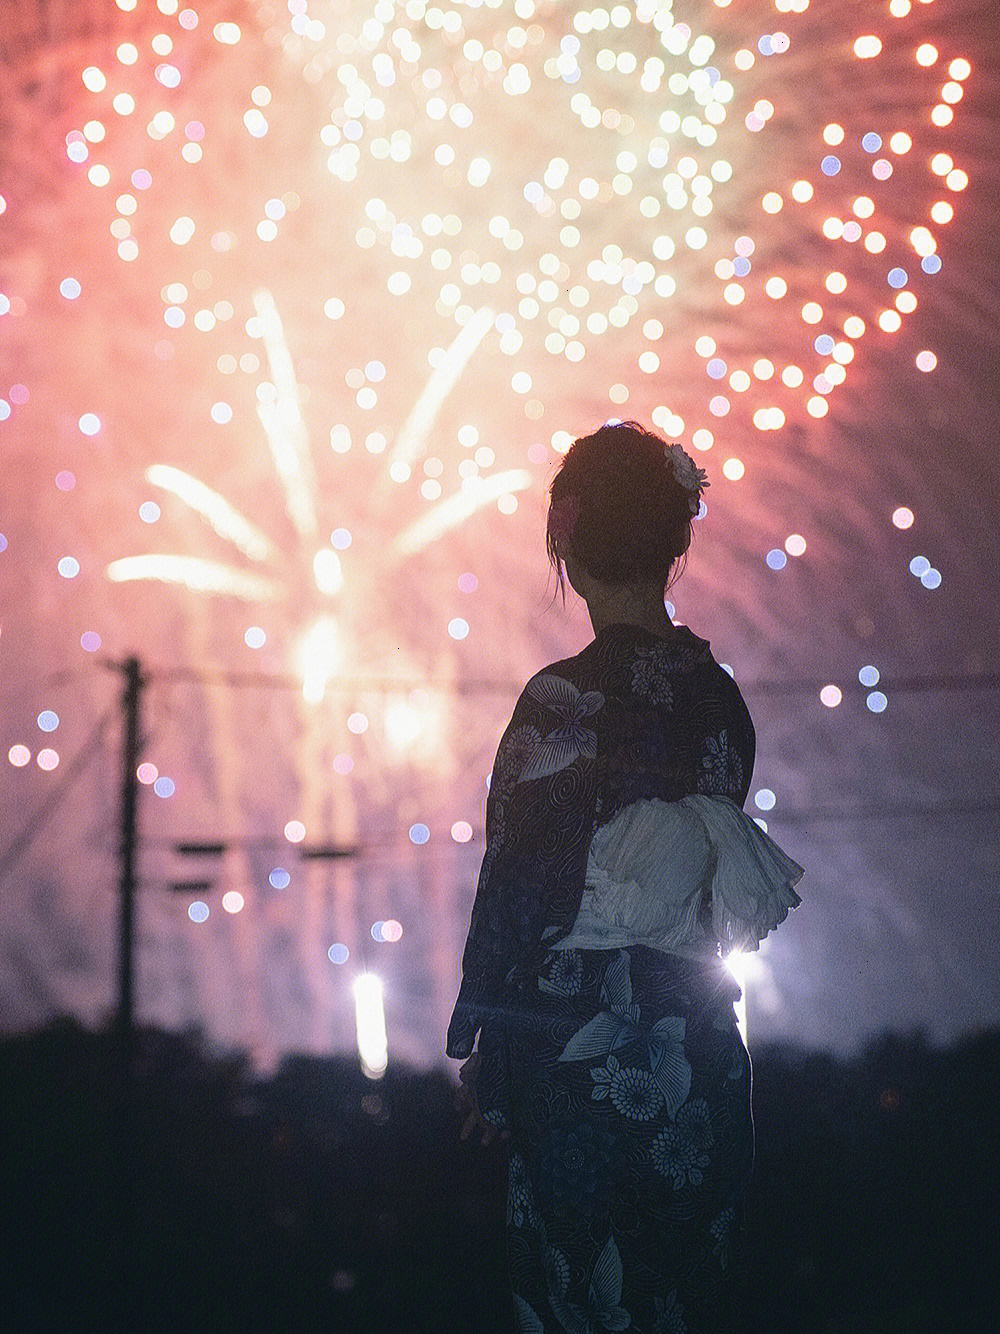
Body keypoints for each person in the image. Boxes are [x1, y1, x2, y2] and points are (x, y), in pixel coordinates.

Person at [447, 420, 805, 1333]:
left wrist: (485, 1054)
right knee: (686, 1302)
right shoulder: (717, 697)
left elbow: (520, 891)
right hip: (698, 1053)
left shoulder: (560, 701)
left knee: (580, 1302)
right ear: (677, 539)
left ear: (565, 535)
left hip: (574, 1054)